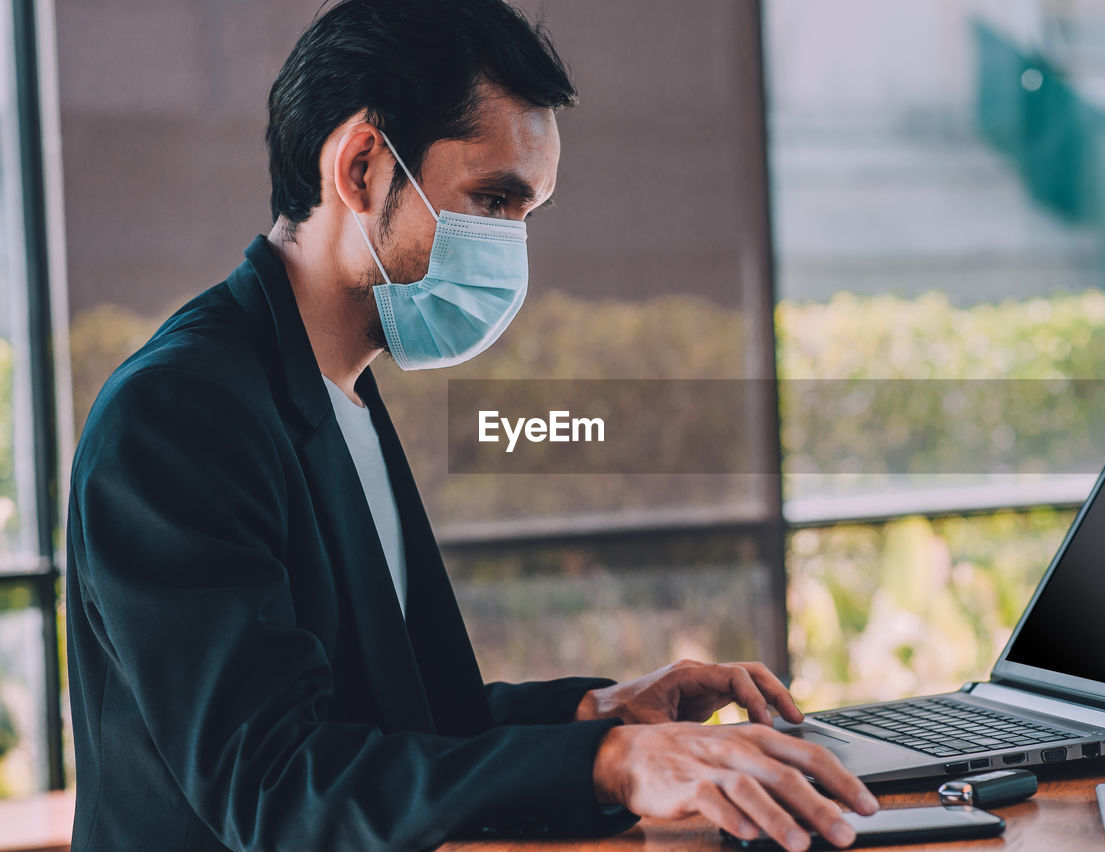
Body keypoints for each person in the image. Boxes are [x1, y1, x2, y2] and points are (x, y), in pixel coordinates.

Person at [64, 2, 877, 850]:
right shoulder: (177, 415)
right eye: (493, 201)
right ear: (364, 166)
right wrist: (610, 762)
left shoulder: (335, 390)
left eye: (526, 213)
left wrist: (596, 711)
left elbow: (395, 721)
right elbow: (277, 783)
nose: (510, 250)